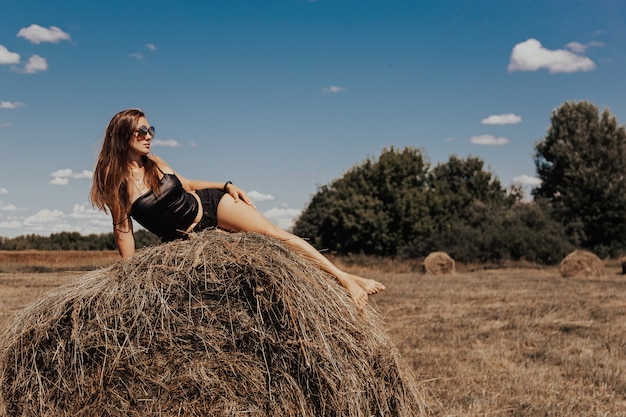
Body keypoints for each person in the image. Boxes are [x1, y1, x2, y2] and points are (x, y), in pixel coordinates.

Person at [90, 108, 385, 307]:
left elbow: (190, 184)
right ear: (123, 136)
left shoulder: (156, 163)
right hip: (183, 240)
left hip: (210, 207)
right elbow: (122, 228)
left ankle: (345, 278)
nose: (149, 136)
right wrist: (127, 275)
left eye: (150, 129)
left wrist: (226, 185)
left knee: (274, 234)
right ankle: (347, 279)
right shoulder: (115, 181)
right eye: (141, 131)